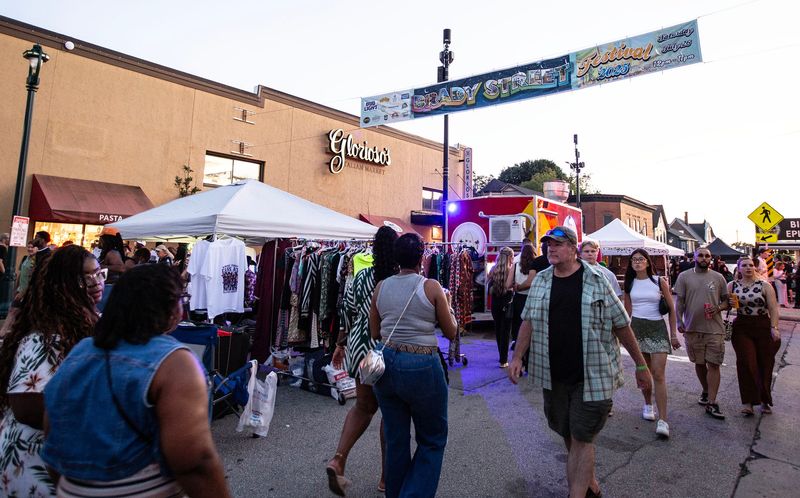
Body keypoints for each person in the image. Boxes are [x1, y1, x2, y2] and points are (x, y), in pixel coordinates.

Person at [41, 263, 231, 497]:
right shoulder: (175, 362)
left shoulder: (81, 352)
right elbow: (194, 461)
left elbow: (52, 431)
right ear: (172, 308)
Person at [508, 226, 651, 498]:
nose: (551, 248)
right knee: (568, 433)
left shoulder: (598, 279)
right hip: (554, 374)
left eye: (558, 244)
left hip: (593, 375)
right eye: (549, 244)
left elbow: (622, 325)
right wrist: (517, 357)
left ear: (574, 249)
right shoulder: (542, 280)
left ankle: (577, 493)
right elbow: (528, 319)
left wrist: (641, 366)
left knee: (583, 437)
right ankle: (591, 486)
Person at [0, 245, 104, 496]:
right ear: (64, 284)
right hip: (34, 462)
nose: (96, 282)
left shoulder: (85, 321)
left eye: (99, 273)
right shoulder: (47, 333)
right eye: (85, 277)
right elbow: (26, 404)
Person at [369, 233, 457, 498]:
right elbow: (451, 331)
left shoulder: (381, 287)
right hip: (421, 363)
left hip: (386, 364)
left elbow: (375, 332)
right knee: (432, 439)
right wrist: (448, 306)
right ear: (422, 257)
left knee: (396, 439)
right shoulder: (431, 287)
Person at [326, 226, 399, 496]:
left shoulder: (361, 276)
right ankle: (386, 478)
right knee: (391, 414)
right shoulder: (399, 280)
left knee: (363, 408)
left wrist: (339, 345)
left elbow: (347, 310)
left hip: (358, 347)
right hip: (386, 350)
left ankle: (338, 460)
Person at [623, 249, 680, 437]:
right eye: (634, 260)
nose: (637, 262)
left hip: (657, 328)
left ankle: (663, 420)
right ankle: (648, 404)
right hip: (637, 328)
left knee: (658, 374)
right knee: (644, 371)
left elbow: (672, 309)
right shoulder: (629, 284)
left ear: (647, 262)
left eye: (641, 259)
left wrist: (673, 334)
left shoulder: (658, 281)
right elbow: (627, 312)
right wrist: (622, 334)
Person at [674, 247, 730, 419]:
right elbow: (679, 301)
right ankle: (706, 391)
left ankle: (712, 403)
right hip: (692, 328)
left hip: (715, 329)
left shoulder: (718, 277)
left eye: (707, 256)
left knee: (714, 364)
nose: (704, 258)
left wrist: (718, 308)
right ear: (695, 257)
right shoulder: (684, 277)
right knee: (699, 363)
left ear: (711, 259)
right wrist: (679, 321)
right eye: (701, 255)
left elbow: (727, 301)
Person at [727, 256, 781, 416]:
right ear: (739, 268)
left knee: (765, 364)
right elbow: (730, 305)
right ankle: (748, 402)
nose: (749, 268)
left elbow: (773, 309)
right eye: (745, 265)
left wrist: (774, 327)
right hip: (742, 327)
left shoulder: (765, 286)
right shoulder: (732, 285)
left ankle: (765, 400)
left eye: (751, 265)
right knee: (746, 363)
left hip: (763, 326)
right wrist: (717, 308)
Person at [489, 246, 515, 367]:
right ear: (509, 257)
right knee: (505, 332)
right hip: (507, 303)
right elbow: (513, 287)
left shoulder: (494, 269)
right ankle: (503, 360)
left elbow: (488, 287)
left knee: (498, 330)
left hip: (495, 304)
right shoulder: (512, 270)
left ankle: (501, 356)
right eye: (513, 256)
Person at [511, 243, 536, 349]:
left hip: (518, 297)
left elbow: (509, 283)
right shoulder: (536, 265)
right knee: (529, 322)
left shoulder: (516, 265)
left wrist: (516, 287)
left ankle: (517, 343)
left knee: (518, 322)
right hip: (531, 297)